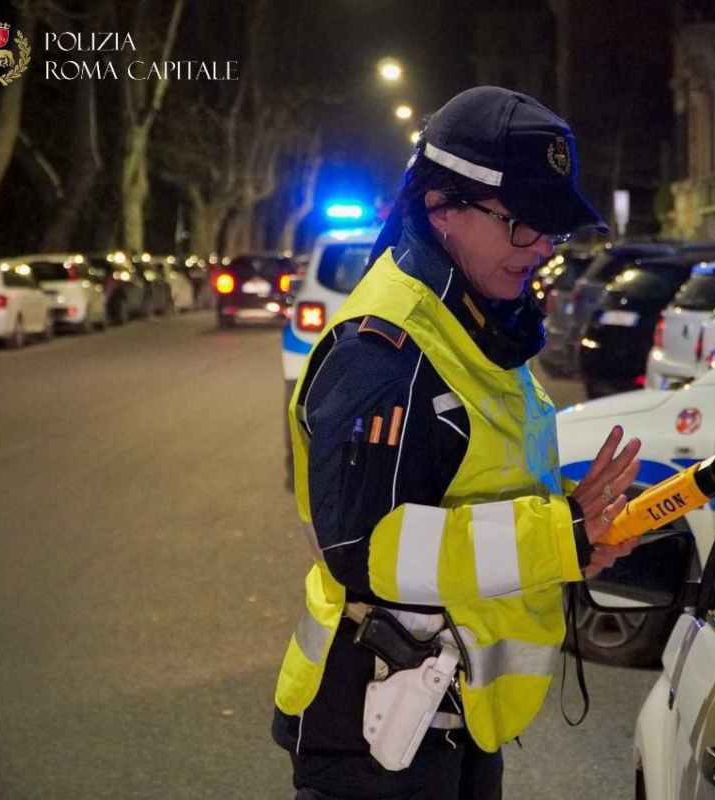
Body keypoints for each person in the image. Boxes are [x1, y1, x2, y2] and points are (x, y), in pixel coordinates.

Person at [272, 86, 644, 799]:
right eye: (522, 224)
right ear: (442, 208)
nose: (540, 247)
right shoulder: (386, 352)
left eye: (552, 228)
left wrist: (574, 533)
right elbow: (365, 549)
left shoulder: (473, 320)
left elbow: (472, 494)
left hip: (448, 714)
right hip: (377, 734)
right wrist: (556, 533)